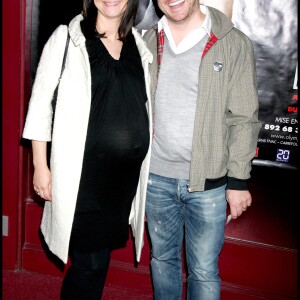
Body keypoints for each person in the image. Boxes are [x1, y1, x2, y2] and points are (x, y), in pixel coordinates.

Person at [22, 0, 153, 299]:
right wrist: (40, 167)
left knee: (97, 261)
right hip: (82, 180)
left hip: (121, 184)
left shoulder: (138, 44)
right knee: (90, 263)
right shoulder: (68, 38)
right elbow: (40, 105)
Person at [143, 1, 261, 299]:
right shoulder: (146, 40)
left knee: (204, 271)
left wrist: (238, 181)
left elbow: (244, 118)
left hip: (209, 184)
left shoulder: (231, 42)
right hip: (156, 179)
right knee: (162, 260)